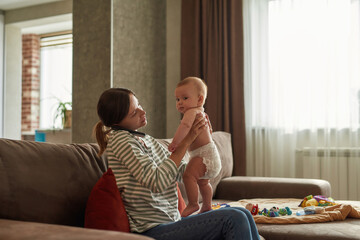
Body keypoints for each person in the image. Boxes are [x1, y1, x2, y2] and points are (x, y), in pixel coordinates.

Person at [93, 88, 260, 240]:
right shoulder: (121, 141)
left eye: (139, 105)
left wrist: (204, 142)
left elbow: (182, 173)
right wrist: (186, 141)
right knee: (233, 218)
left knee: (242, 212)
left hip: (173, 221)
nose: (143, 111)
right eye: (134, 112)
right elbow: (156, 182)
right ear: (116, 123)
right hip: (152, 230)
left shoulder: (147, 139)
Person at [168, 77, 221, 217]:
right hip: (210, 155)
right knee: (203, 183)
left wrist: (174, 143)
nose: (180, 103)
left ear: (199, 99)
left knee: (188, 175)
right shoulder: (202, 114)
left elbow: (184, 127)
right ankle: (207, 205)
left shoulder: (191, 113)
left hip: (203, 155)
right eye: (177, 99)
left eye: (185, 98)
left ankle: (193, 204)